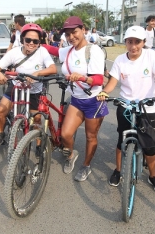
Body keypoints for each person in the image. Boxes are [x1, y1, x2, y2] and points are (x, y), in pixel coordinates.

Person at [97, 26, 155, 194]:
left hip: (147, 106)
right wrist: (104, 92)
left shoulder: (151, 56)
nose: (133, 46)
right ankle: (117, 170)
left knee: (149, 146)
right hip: (125, 105)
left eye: (137, 42)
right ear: (125, 43)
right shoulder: (120, 60)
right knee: (121, 140)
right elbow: (112, 82)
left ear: (144, 42)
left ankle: (153, 176)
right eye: (129, 42)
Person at [42, 16, 107, 182]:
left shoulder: (94, 50)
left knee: (90, 137)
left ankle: (86, 165)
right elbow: (55, 50)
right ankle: (71, 154)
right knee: (65, 134)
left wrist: (82, 78)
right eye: (68, 34)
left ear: (83, 29)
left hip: (94, 101)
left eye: (75, 32)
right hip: (77, 100)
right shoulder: (68, 50)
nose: (71, 37)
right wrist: (35, 41)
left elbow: (99, 80)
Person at [0, 23, 57, 145]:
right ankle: (0, 133)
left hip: (34, 90)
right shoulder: (14, 52)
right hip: (16, 87)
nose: (31, 43)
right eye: (28, 40)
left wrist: (38, 73)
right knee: (0, 111)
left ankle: (39, 145)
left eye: (35, 41)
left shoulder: (42, 51)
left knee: (37, 119)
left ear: (39, 42)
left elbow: (53, 69)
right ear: (22, 40)